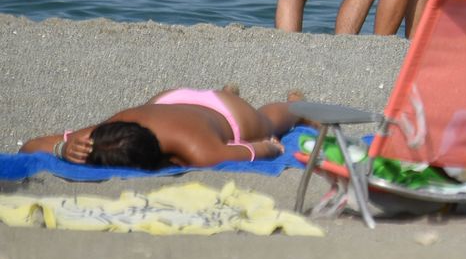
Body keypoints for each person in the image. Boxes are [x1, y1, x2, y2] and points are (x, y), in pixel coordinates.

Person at [21, 87, 301, 168]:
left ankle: (297, 107)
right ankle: (226, 91)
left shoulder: (201, 151)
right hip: (169, 102)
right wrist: (63, 148)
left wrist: (270, 146)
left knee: (267, 123)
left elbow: (260, 149)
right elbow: (30, 147)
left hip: (224, 112)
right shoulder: (106, 134)